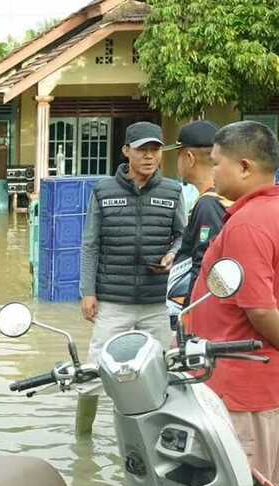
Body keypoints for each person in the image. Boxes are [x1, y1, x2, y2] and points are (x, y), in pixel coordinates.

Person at [188, 121, 279, 486]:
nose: (211, 173)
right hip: (277, 376)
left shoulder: (247, 224)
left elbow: (258, 307)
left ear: (243, 166)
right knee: (277, 479)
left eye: (216, 164)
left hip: (246, 380)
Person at [77, 122, 186, 435]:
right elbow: (90, 244)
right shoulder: (103, 191)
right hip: (113, 301)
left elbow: (183, 237)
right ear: (126, 151)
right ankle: (83, 438)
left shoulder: (173, 191)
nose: (149, 156)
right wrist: (88, 291)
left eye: (155, 150)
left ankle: (158, 433)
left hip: (156, 303)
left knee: (160, 370)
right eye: (142, 150)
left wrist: (173, 255)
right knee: (95, 371)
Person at [169, 120, 232, 304]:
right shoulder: (222, 198)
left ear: (189, 158)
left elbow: (204, 266)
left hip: (202, 313)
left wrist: (190, 314)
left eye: (178, 155)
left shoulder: (209, 204)